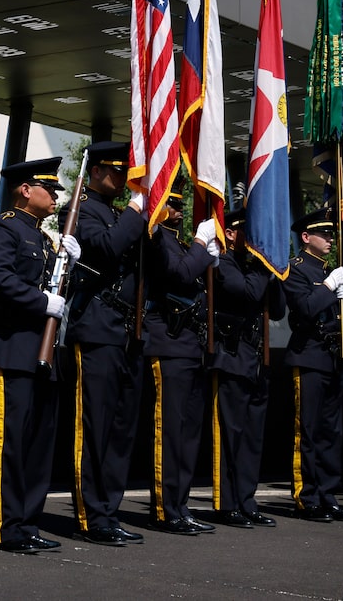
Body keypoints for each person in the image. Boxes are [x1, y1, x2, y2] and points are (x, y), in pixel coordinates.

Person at [0, 156, 81, 554]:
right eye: (49, 189)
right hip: (15, 348)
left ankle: (29, 523)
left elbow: (63, 289)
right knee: (12, 442)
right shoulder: (2, 228)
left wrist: (72, 261)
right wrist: (41, 302)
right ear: (26, 190)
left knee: (39, 446)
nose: (56, 196)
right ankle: (6, 526)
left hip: (46, 352)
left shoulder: (46, 239)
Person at [58, 140, 146, 547]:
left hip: (126, 331)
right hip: (94, 327)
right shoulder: (79, 211)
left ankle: (108, 511)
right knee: (93, 428)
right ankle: (90, 515)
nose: (122, 178)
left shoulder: (114, 214)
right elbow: (109, 247)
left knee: (120, 431)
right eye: (115, 171)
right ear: (95, 172)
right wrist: (135, 209)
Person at [142, 184, 219, 536]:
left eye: (179, 205)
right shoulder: (157, 237)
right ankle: (165, 508)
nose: (179, 211)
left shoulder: (179, 241)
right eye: (173, 205)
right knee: (169, 432)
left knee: (188, 435)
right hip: (167, 343)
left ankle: (180, 505)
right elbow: (180, 274)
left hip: (189, 345)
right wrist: (202, 247)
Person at [210, 207, 285, 529]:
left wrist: (274, 269)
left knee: (253, 437)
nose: (255, 239)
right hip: (232, 357)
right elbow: (248, 292)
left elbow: (279, 310)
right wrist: (264, 267)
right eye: (247, 231)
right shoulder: (223, 263)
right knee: (231, 434)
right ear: (230, 233)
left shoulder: (255, 265)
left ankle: (247, 500)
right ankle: (227, 503)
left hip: (256, 359)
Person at [281, 207, 343, 523]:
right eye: (324, 233)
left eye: (331, 233)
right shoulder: (297, 270)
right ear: (307, 238)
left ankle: (327, 494)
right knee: (306, 431)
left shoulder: (327, 271)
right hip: (308, 356)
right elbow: (305, 309)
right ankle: (306, 497)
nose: (330, 238)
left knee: (330, 432)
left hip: (332, 358)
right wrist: (331, 287)